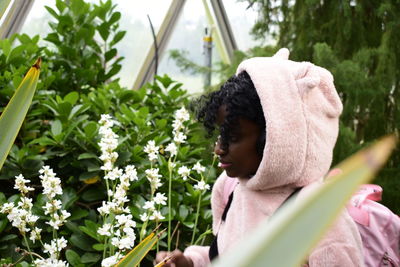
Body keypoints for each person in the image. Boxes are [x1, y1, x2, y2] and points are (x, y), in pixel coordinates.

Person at [155, 48, 364, 267]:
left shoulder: (319, 215)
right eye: (220, 134)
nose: (219, 149)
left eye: (233, 137)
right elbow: (226, 254)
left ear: (275, 137)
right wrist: (189, 262)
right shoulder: (231, 190)